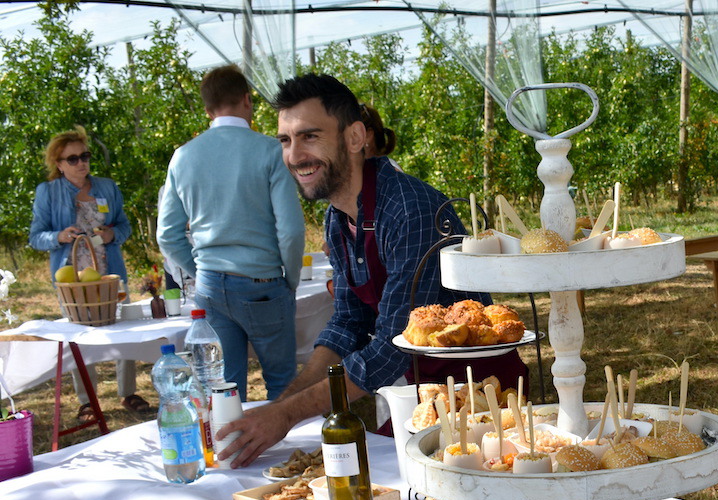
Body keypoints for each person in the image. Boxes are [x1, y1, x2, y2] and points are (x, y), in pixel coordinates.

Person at [218, 73, 524, 468]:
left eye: (310, 136)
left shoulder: (409, 210)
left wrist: (286, 415)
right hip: (427, 395)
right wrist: (278, 407)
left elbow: (392, 349)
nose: (294, 155)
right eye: (285, 140)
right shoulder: (337, 218)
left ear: (355, 137)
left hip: (482, 396)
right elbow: (347, 324)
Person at [158, 64, 306, 401]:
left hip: (210, 287)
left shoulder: (183, 157)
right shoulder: (271, 150)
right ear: (247, 99)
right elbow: (291, 230)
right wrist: (291, 278)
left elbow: (167, 236)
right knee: (282, 384)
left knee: (223, 389)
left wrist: (201, 272)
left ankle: (229, 438)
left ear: (207, 109)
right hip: (263, 282)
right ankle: (290, 438)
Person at [28, 126, 150, 416]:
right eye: (73, 159)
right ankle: (87, 400)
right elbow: (36, 237)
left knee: (123, 328)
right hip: (72, 277)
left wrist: (112, 234)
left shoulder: (107, 187)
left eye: (85, 156)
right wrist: (59, 236)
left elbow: (124, 225)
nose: (82, 163)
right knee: (78, 336)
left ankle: (128, 393)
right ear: (58, 164)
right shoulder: (48, 192)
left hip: (109, 271)